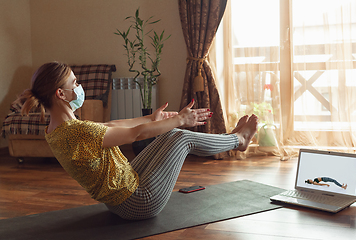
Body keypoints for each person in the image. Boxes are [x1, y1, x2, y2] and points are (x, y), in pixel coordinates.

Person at [19, 61, 258, 220]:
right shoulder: (76, 132)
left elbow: (110, 126)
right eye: (75, 83)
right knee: (181, 137)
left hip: (122, 191)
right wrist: (180, 120)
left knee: (174, 135)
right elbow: (136, 134)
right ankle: (238, 139)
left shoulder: (59, 129)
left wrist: (150, 117)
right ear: (60, 94)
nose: (80, 87)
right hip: (138, 202)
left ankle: (233, 138)